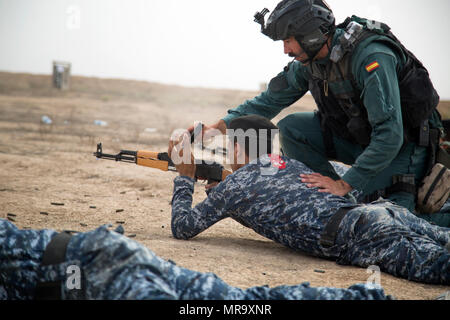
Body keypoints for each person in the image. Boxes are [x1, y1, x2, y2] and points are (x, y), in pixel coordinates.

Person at [192, 0, 444, 218]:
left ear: (311, 35)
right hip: (361, 140)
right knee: (292, 128)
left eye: (288, 41)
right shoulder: (311, 61)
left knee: (393, 220)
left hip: (403, 148)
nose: (285, 50)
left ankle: (348, 192)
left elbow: (390, 135)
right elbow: (269, 100)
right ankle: (333, 197)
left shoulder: (371, 58)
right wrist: (217, 128)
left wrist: (346, 183)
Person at [171, 115, 450, 285]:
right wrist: (225, 189)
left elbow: (182, 227)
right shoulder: (288, 163)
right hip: (383, 214)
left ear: (235, 146)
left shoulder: (233, 189)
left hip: (361, 235)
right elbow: (270, 196)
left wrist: (185, 176)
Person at [0, 219, 392, 301]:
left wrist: (184, 180)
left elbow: (184, 226)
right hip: (102, 259)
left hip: (92, 273)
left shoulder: (237, 184)